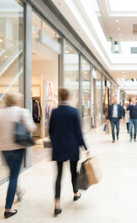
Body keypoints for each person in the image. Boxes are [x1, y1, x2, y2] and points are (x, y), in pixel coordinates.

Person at [0, 92, 36, 219]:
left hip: (3, 149)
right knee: (13, 176)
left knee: (12, 173)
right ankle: (8, 208)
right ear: (17, 100)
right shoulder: (22, 111)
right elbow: (31, 128)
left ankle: (19, 192)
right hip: (17, 148)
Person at [49, 88, 88, 216]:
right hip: (72, 147)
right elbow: (78, 132)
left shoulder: (54, 112)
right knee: (73, 171)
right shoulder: (74, 112)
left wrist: (55, 143)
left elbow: (51, 131)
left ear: (59, 98)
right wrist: (85, 147)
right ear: (68, 97)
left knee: (59, 175)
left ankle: (57, 203)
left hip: (59, 147)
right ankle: (76, 193)